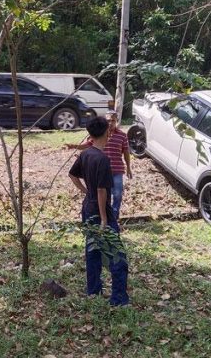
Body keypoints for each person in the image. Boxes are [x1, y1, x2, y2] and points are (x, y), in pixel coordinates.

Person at [68, 116, 130, 306]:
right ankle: (119, 299)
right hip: (100, 211)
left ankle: (93, 290)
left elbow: (72, 174)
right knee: (117, 255)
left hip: (88, 207)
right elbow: (103, 190)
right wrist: (104, 218)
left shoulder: (86, 154)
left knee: (93, 250)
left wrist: (86, 191)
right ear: (107, 133)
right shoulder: (102, 159)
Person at [65, 110, 133, 218]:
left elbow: (126, 152)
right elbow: (87, 145)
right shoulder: (98, 135)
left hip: (116, 170)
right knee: (103, 194)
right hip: (101, 170)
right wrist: (74, 146)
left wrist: (128, 167)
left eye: (113, 120)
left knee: (117, 194)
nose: (110, 123)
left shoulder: (122, 136)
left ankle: (114, 215)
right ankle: (105, 216)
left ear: (116, 121)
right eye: (108, 120)